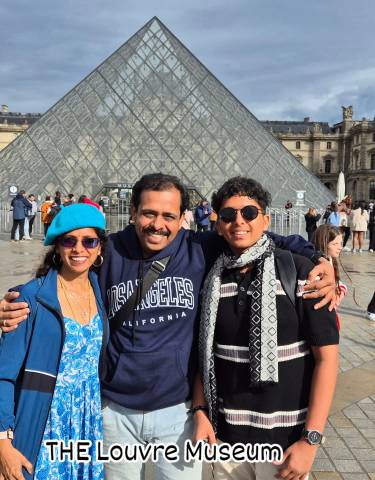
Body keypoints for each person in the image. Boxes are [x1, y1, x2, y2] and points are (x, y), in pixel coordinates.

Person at [0, 174, 337, 480]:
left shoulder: (199, 246)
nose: (157, 224)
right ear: (133, 212)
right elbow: (64, 278)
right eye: (148, 213)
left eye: (168, 216)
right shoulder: (107, 250)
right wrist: (15, 304)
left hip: (179, 414)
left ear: (182, 219)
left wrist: (319, 259)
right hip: (113, 410)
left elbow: (254, 233)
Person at [197, 177, 339, 479]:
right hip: (226, 443)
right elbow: (200, 353)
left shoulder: (303, 272)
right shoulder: (209, 276)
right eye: (228, 215)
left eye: (249, 213)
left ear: (266, 219)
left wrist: (310, 441)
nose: (239, 221)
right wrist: (200, 413)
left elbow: (328, 360)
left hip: (285, 446)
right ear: (218, 224)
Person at [0, 204, 108, 480]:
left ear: (100, 248)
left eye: (89, 241)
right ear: (57, 246)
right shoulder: (30, 298)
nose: (78, 249)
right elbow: (3, 374)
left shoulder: (101, 291)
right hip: (45, 420)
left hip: (88, 421)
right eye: (69, 240)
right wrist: (2, 441)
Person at [314, 225, 347, 329]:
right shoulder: (318, 267)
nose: (340, 247)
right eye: (335, 244)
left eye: (341, 243)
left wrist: (341, 289)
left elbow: (336, 282)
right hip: (322, 316)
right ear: (323, 244)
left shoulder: (331, 259)